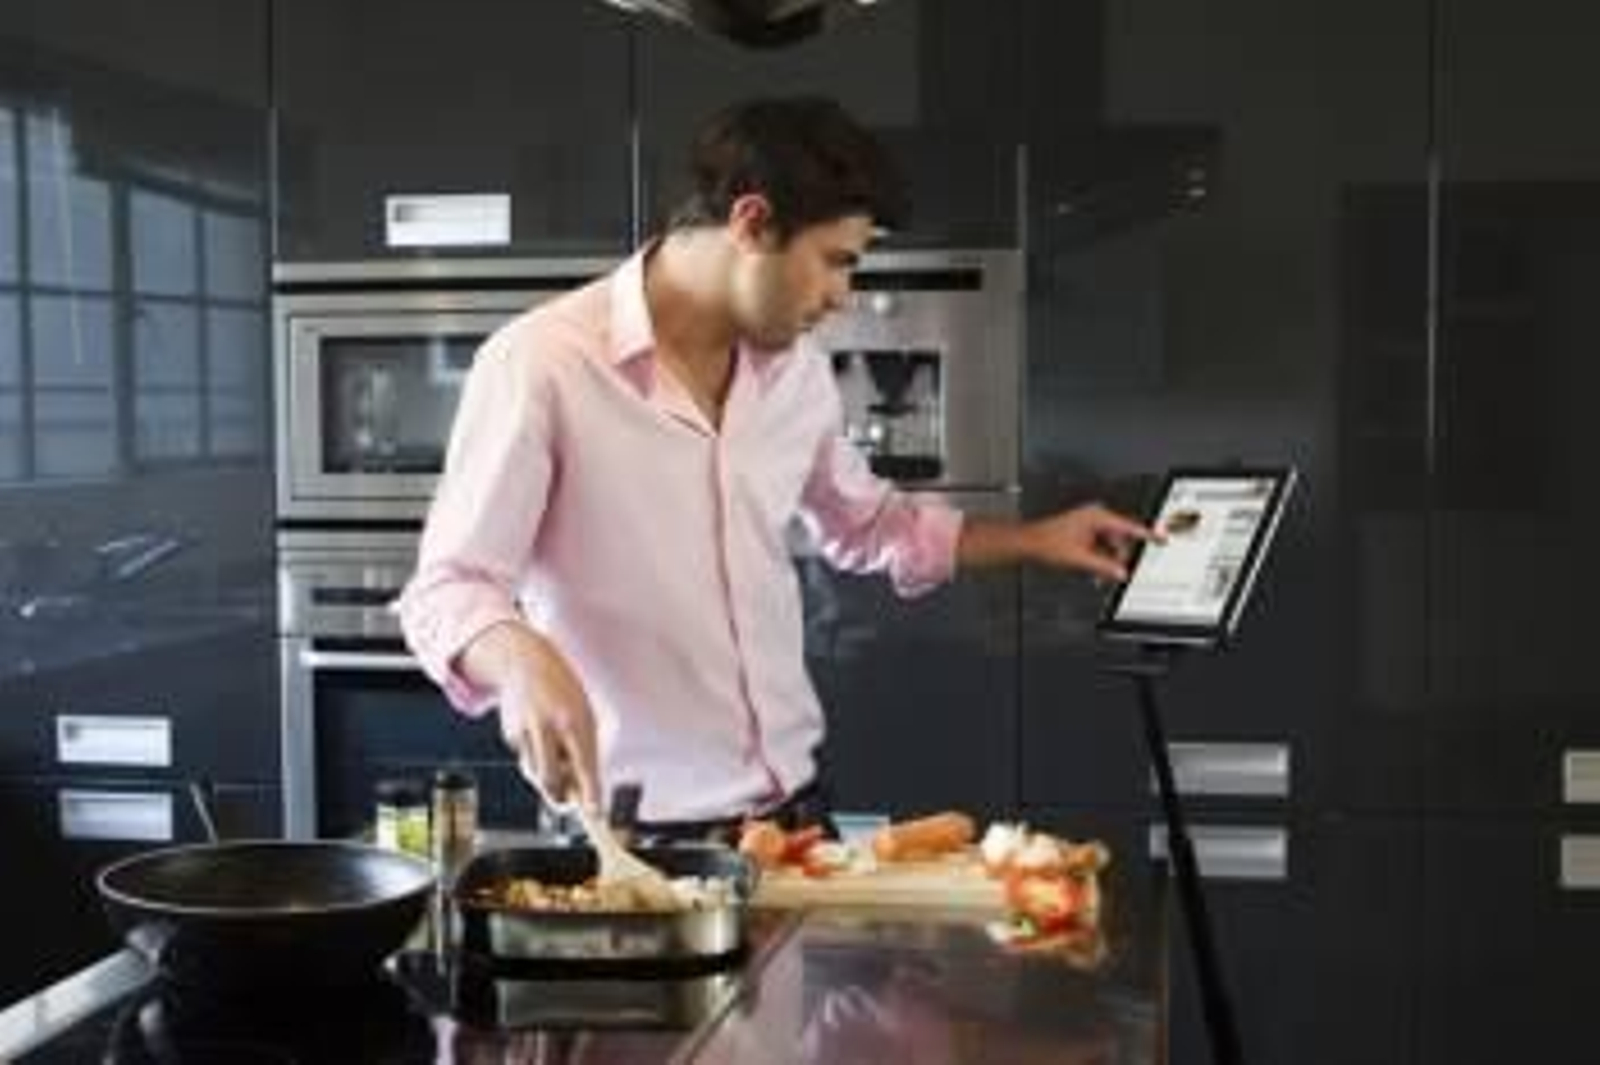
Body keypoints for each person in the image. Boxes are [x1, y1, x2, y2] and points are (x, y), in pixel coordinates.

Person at [397, 96, 1154, 835]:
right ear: (752, 222)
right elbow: (447, 589)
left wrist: (1039, 539)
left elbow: (872, 525)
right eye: (835, 262)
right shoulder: (543, 364)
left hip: (795, 817)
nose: (843, 297)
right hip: (636, 838)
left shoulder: (797, 374)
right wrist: (521, 659)